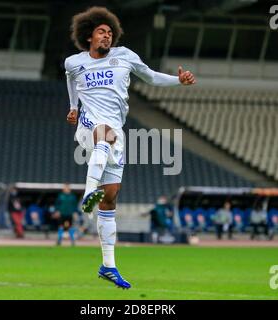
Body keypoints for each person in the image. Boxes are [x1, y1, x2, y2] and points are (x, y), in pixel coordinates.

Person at [64, 6, 196, 289]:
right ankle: (88, 191)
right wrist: (74, 108)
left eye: (110, 32)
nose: (107, 36)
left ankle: (108, 266)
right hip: (90, 127)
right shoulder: (74, 62)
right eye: (101, 32)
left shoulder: (125, 57)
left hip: (116, 133)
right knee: (104, 134)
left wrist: (178, 81)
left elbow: (150, 77)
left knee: (110, 198)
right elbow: (71, 82)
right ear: (89, 36)